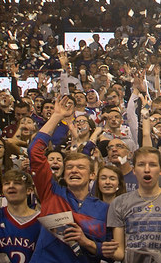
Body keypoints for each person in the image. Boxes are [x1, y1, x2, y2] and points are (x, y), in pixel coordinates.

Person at [29, 95, 109, 263]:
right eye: (70, 167)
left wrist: (86, 242)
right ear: (64, 173)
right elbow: (34, 152)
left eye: (80, 167)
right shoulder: (50, 193)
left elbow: (112, 252)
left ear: (92, 175)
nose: (74, 171)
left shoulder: (104, 209)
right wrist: (56, 116)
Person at [102, 146, 161, 263]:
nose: (147, 169)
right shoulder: (119, 203)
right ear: (134, 170)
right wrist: (110, 251)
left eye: (152, 165)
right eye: (141, 164)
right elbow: (120, 252)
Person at [0, 169, 41, 263]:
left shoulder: (41, 220)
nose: (11, 186)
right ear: (3, 190)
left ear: (29, 190)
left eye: (17, 183)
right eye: (7, 183)